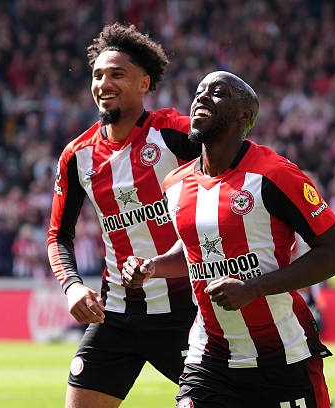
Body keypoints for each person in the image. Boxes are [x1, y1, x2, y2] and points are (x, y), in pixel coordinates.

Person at [123, 71, 335, 408]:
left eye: (217, 92)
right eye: (199, 91)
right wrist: (153, 267)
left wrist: (252, 288)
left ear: (244, 116)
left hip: (281, 354)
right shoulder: (175, 184)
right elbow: (195, 251)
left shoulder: (275, 175)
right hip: (210, 355)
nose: (201, 97)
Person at [46, 23, 201, 408]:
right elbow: (58, 236)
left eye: (117, 74)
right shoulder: (77, 156)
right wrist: (72, 286)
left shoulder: (175, 134)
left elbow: (237, 168)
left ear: (144, 83)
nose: (104, 83)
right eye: (98, 75)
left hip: (186, 313)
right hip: (115, 315)